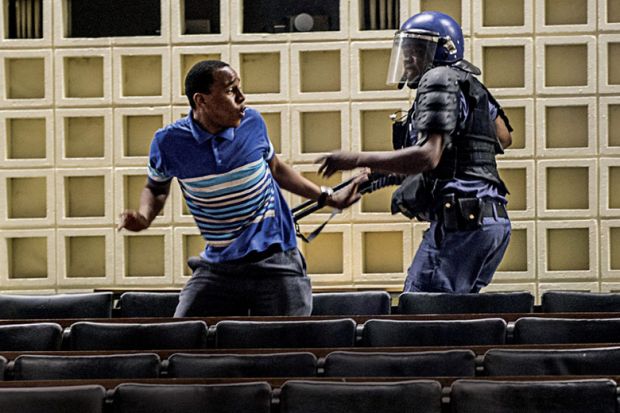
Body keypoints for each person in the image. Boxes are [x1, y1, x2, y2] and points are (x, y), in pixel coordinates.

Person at [118, 60, 366, 316]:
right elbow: (156, 188)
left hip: (276, 258)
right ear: (201, 100)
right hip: (219, 266)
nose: (242, 97)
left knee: (292, 346)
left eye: (239, 88)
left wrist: (328, 197)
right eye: (230, 90)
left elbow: (277, 169)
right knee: (184, 336)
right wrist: (145, 217)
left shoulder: (252, 123)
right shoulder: (168, 142)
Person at [317, 11, 513, 293]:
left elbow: (427, 157)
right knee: (453, 322)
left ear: (444, 51)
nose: (408, 58)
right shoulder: (469, 85)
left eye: (417, 50)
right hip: (492, 225)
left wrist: (355, 158)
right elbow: (502, 137)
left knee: (420, 314)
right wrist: (366, 179)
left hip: (461, 223)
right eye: (405, 51)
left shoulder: (438, 79)